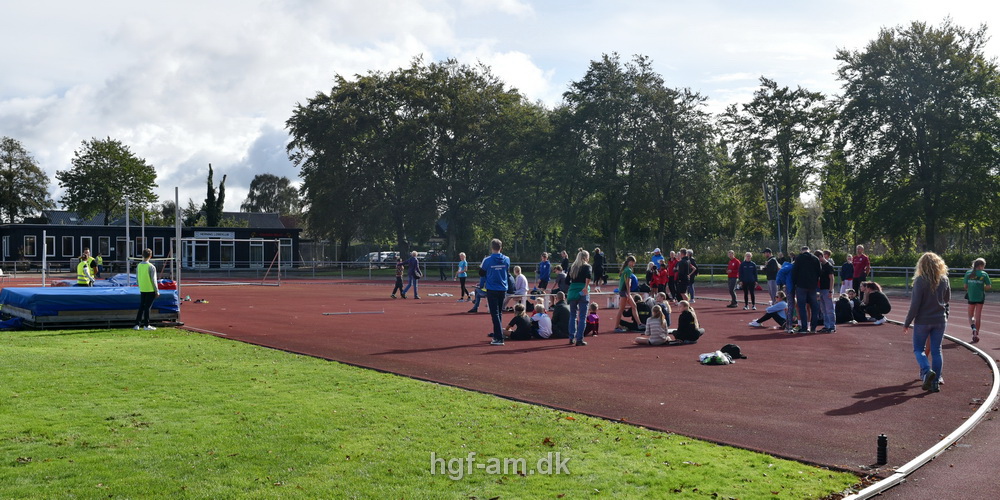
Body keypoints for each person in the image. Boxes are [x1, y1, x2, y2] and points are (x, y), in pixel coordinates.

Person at [903, 252, 951, 393]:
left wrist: (907, 322)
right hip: (940, 319)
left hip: (923, 320)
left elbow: (915, 305)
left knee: (919, 349)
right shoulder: (944, 279)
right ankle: (935, 381)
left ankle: (926, 370)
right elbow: (947, 299)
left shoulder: (920, 280)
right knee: (937, 350)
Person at [483, 239, 511, 346]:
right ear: (501, 248)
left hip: (492, 288)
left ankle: (499, 337)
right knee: (499, 312)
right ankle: (498, 334)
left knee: (494, 313)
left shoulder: (487, 260)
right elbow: (507, 270)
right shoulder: (507, 259)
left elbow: (482, 272)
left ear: (492, 247)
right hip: (502, 288)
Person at [792, 246, 821, 333]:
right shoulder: (815, 259)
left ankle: (804, 327)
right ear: (809, 250)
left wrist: (795, 284)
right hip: (812, 286)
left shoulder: (799, 258)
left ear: (802, 251)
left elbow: (794, 271)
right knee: (814, 306)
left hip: (801, 285)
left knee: (802, 307)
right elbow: (819, 271)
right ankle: (813, 327)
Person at [567, 249, 593, 346]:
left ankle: (571, 337)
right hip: (582, 291)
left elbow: (566, 281)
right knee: (582, 317)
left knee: (572, 316)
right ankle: (579, 339)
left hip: (573, 291)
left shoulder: (572, 267)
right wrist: (586, 287)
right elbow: (589, 276)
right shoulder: (587, 267)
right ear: (586, 257)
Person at [964, 258, 991, 344]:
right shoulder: (984, 274)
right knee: (978, 315)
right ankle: (976, 334)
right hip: (980, 297)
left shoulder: (968, 273)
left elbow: (965, 286)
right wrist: (981, 288)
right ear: (981, 266)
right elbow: (988, 286)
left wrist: (971, 288)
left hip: (971, 297)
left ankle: (973, 328)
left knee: (970, 315)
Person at [613, 256, 643, 333]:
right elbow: (627, 283)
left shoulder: (625, 269)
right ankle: (616, 327)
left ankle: (639, 324)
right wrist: (629, 294)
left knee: (634, 306)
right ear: (630, 262)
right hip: (624, 291)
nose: (634, 264)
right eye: (633, 262)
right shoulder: (628, 270)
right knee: (621, 309)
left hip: (623, 291)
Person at [134, 248, 160, 331]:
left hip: (143, 288)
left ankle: (137, 324)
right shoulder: (151, 266)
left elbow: (137, 277)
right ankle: (146, 325)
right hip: (150, 289)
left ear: (142, 255)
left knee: (142, 306)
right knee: (147, 307)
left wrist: (140, 285)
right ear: (150, 256)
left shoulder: (139, 265)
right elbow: (154, 280)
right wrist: (157, 291)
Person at [817, 250, 837, 333]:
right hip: (821, 289)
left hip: (827, 289)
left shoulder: (828, 265)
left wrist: (830, 291)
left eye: (818, 258)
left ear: (821, 256)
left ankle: (832, 326)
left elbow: (832, 278)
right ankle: (826, 325)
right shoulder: (820, 265)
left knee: (829, 309)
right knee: (823, 309)